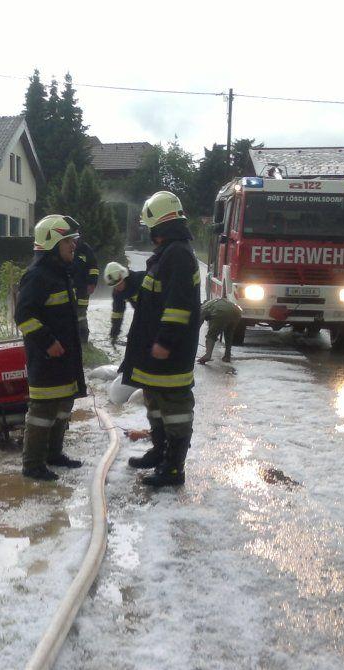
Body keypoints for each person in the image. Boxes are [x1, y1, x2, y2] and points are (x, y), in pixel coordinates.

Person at [119, 191, 202, 487]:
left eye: (149, 226)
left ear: (158, 226)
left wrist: (165, 342)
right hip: (156, 350)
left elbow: (178, 306)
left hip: (171, 352)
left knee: (175, 409)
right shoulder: (167, 254)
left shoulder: (177, 254)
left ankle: (174, 468)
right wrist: (128, 283)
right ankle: (160, 451)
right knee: (155, 402)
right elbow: (151, 294)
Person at [14, 214, 87, 481]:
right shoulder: (37, 276)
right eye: (69, 241)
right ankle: (32, 464)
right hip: (46, 358)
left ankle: (54, 454)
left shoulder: (60, 273)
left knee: (62, 407)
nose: (73, 246)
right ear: (53, 243)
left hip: (64, 358)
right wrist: (48, 342)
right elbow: (23, 316)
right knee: (42, 412)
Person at [103, 261, 145, 343]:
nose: (117, 287)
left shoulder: (141, 280)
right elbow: (117, 314)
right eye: (114, 286)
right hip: (142, 314)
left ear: (124, 276)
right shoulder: (117, 293)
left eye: (118, 284)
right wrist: (114, 334)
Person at [197, 297, 244, 364]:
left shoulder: (203, 307)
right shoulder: (214, 302)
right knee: (229, 334)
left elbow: (199, 322)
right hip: (236, 311)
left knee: (211, 335)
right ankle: (227, 356)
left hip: (221, 312)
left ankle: (207, 355)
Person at [72, 238, 100, 344]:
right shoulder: (64, 247)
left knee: (81, 313)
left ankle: (83, 338)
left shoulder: (85, 249)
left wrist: (92, 283)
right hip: (69, 287)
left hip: (82, 288)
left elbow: (94, 267)